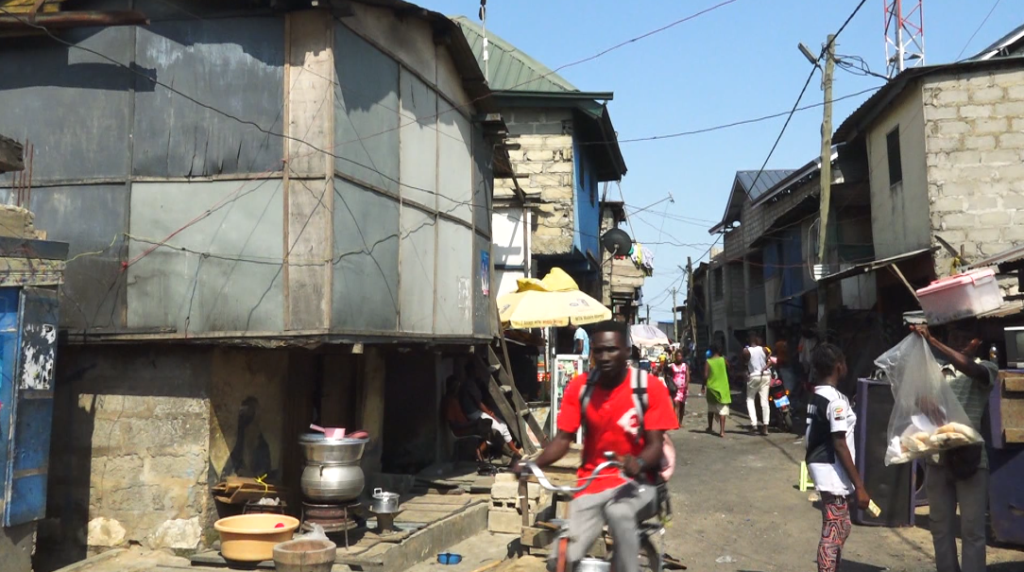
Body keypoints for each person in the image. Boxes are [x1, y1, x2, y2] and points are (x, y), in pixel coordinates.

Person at [516, 320, 678, 572]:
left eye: (611, 349)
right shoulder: (580, 388)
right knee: (561, 559)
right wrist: (531, 465)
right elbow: (561, 441)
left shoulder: (648, 388)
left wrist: (640, 462)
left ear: (626, 350)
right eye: (598, 350)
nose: (603, 356)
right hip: (592, 484)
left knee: (618, 513)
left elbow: (656, 445)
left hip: (639, 484)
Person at [912, 323, 995, 572]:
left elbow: (971, 369)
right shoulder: (936, 372)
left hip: (971, 462)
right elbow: (922, 407)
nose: (957, 341)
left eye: (963, 338)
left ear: (976, 342)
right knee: (940, 528)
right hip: (938, 460)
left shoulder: (986, 368)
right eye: (953, 337)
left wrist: (934, 342)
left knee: (972, 532)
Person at [805, 343, 872, 572]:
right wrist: (859, 485)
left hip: (823, 464)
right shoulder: (835, 401)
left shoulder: (818, 394)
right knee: (833, 529)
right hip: (830, 467)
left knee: (842, 526)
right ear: (838, 366)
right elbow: (840, 443)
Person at [459, 362, 522, 460]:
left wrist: (489, 411)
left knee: (503, 425)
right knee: (497, 430)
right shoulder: (469, 384)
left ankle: (514, 450)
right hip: (473, 413)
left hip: (478, 411)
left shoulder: (474, 383)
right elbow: (478, 402)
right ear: (472, 372)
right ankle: (481, 451)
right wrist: (489, 413)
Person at [744, 334, 772, 435]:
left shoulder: (746, 351)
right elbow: (770, 359)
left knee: (750, 399)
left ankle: (754, 425)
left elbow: (744, 363)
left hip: (754, 376)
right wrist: (764, 365)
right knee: (764, 401)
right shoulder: (764, 349)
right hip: (766, 375)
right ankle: (765, 427)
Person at [704, 345, 731, 437]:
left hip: (711, 388)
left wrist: (703, 386)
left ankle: (710, 427)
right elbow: (729, 369)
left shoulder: (708, 361)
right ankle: (722, 431)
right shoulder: (723, 360)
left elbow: (705, 375)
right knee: (722, 410)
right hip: (723, 388)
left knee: (711, 408)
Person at [668, 350, 689, 425]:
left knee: (682, 406)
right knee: (676, 403)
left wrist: (686, 384)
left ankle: (680, 421)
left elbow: (687, 375)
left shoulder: (685, 366)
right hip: (675, 389)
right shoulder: (672, 366)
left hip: (683, 389)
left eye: (680, 356)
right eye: (677, 356)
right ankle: (675, 421)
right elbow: (669, 376)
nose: (679, 357)